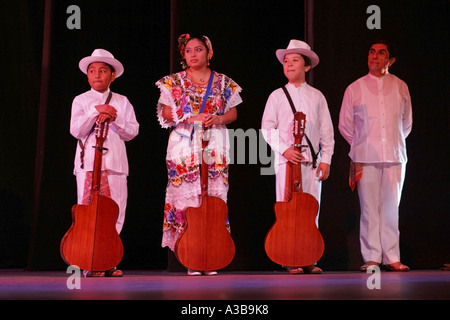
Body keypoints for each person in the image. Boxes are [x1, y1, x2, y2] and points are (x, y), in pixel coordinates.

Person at [155, 34, 243, 276]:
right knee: (187, 200)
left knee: (214, 197)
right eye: (189, 51)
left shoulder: (224, 83)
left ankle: (212, 254)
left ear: (209, 53)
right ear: (183, 56)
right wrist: (190, 118)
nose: (193, 54)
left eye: (199, 49)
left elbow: (233, 113)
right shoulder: (173, 82)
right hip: (184, 145)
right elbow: (165, 113)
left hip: (215, 143)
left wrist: (219, 118)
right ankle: (191, 255)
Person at [338, 38, 412, 272]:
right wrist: (361, 144)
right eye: (371, 52)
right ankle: (371, 257)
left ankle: (392, 256)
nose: (374, 56)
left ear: (391, 60)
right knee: (369, 208)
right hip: (364, 156)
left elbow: (406, 122)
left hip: (394, 154)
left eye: (381, 53)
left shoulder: (400, 86)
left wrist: (391, 140)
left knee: (392, 207)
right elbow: (345, 125)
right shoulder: (355, 87)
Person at [261, 40, 334, 274]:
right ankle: (289, 257)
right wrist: (284, 149)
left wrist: (326, 159)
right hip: (286, 162)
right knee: (287, 210)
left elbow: (326, 131)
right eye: (286, 61)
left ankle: (309, 256)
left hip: (311, 162)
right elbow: (267, 128)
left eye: (295, 60)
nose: (289, 64)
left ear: (307, 66)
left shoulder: (317, 96)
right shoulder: (277, 96)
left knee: (311, 209)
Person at [70, 49, 139, 277]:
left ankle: (108, 261)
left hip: (116, 163)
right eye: (92, 71)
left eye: (102, 71)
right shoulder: (81, 100)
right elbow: (76, 130)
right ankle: (90, 262)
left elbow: (132, 132)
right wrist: (96, 111)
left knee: (116, 212)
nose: (97, 75)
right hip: (89, 163)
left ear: (113, 76)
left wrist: (115, 117)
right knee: (88, 212)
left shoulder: (122, 101)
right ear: (87, 76)